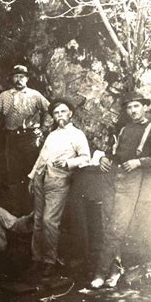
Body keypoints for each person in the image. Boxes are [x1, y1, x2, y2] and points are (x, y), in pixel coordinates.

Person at [90, 91, 151, 289]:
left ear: (145, 107)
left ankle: (101, 273)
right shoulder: (123, 129)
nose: (133, 111)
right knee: (107, 224)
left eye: (136, 106)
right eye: (129, 107)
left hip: (132, 179)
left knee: (117, 227)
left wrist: (139, 161)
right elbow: (114, 154)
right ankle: (114, 269)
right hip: (112, 177)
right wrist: (103, 159)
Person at [27, 98, 91, 280]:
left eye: (63, 112)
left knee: (49, 221)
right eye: (56, 113)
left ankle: (50, 261)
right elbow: (41, 157)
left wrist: (68, 163)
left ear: (70, 113)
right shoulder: (52, 135)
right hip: (41, 178)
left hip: (59, 180)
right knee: (38, 219)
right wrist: (32, 177)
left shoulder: (77, 134)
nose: (59, 116)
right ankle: (36, 259)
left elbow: (86, 157)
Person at [0, 65, 52, 186]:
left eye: (22, 76)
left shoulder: (35, 95)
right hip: (12, 140)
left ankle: (33, 203)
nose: (19, 79)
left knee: (33, 173)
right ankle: (17, 203)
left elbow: (50, 110)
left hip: (31, 139)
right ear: (12, 79)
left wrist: (43, 129)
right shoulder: (4, 96)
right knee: (13, 174)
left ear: (27, 79)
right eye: (16, 76)